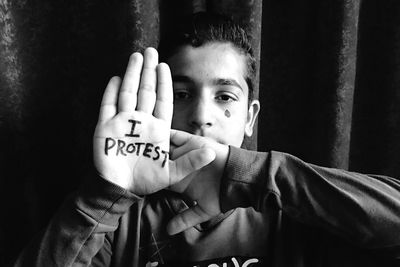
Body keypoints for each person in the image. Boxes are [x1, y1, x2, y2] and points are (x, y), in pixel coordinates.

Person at [14, 12, 400, 267]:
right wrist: (102, 195)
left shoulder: (294, 211)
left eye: (224, 97)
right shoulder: (120, 223)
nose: (201, 116)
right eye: (181, 94)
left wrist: (258, 176)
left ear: (250, 118)